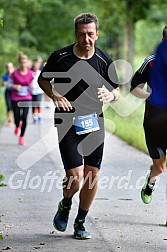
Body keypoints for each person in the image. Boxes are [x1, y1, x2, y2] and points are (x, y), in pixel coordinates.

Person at [38, 13, 120, 239]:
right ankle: (66, 203)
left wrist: (110, 95)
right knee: (75, 177)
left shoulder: (104, 60)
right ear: (76, 33)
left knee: (92, 176)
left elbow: (117, 91)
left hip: (94, 122)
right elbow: (43, 79)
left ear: (97, 34)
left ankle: (80, 221)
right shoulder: (60, 57)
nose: (87, 39)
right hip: (66, 122)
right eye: (82, 34)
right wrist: (54, 94)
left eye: (91, 34)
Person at [130, 25, 167, 205]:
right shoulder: (151, 62)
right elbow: (134, 87)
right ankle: (151, 181)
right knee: (160, 167)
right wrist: (150, 96)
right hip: (155, 122)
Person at [11, 54, 34, 145]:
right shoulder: (15, 73)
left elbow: (32, 84)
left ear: (27, 62)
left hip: (26, 98)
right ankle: (17, 125)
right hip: (16, 97)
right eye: (22, 62)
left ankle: (21, 137)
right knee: (17, 117)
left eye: (25, 62)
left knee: (24, 118)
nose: (23, 64)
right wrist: (14, 86)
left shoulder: (30, 73)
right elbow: (9, 84)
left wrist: (32, 86)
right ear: (19, 62)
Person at [1, 62, 15, 127]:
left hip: (15, 92)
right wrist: (4, 83)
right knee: (9, 106)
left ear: (13, 67)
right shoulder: (5, 75)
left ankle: (17, 119)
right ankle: (10, 120)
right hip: (8, 92)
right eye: (8, 67)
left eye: (10, 67)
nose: (9, 68)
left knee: (14, 107)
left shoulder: (15, 74)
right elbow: (2, 83)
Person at [31, 56, 44, 124]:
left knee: (38, 103)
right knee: (33, 105)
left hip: (39, 91)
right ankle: (34, 117)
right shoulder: (30, 73)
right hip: (32, 91)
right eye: (34, 67)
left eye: (37, 67)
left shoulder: (40, 72)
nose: (35, 68)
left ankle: (40, 116)